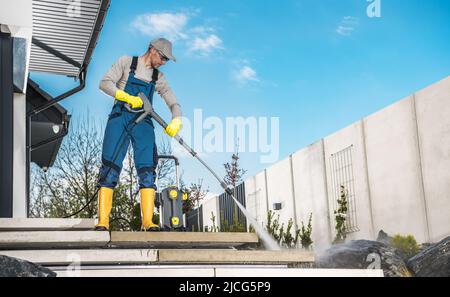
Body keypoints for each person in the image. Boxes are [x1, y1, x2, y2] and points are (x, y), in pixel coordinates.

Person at [95, 38, 182, 231]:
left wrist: (177, 118)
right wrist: (124, 96)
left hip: (143, 122)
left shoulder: (158, 77)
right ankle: (102, 222)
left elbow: (173, 102)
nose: (164, 62)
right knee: (109, 168)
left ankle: (148, 222)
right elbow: (104, 83)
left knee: (147, 170)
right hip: (120, 118)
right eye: (162, 57)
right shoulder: (126, 62)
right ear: (152, 50)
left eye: (167, 60)